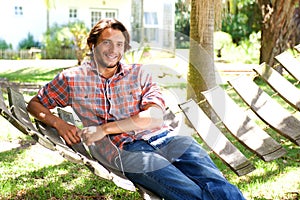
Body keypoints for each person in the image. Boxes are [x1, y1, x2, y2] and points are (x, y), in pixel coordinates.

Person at [27, 18, 246, 200]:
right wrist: (58, 123)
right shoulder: (72, 79)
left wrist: (104, 129)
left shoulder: (139, 74)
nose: (113, 50)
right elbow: (35, 104)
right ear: (93, 45)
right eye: (106, 43)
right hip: (124, 150)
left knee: (214, 180)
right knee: (185, 189)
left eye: (119, 44)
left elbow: (152, 116)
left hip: (166, 138)